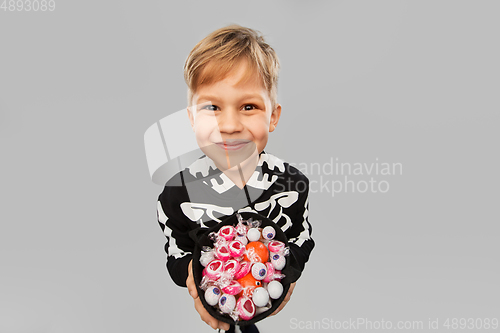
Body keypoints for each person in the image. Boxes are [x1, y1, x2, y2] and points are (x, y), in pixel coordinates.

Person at [156, 25, 315, 333]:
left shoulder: (293, 185)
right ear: (192, 119)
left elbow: (302, 236)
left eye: (248, 107)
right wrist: (193, 275)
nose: (229, 125)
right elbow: (175, 249)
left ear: (273, 116)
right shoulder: (178, 193)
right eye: (212, 107)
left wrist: (289, 270)